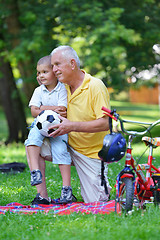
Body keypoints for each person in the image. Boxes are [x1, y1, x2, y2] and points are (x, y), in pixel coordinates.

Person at [46, 45, 111, 203]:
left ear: (72, 64)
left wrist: (71, 126)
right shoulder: (60, 88)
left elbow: (105, 123)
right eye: (52, 65)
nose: (53, 69)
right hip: (65, 145)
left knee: (97, 202)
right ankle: (42, 196)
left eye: (57, 64)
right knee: (33, 143)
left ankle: (101, 182)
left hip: (91, 154)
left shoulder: (95, 86)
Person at [24, 55, 73, 204]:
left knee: (61, 152)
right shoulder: (38, 91)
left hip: (57, 128)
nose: (40, 76)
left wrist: (42, 109)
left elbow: (62, 111)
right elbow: (34, 111)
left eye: (44, 72)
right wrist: (51, 109)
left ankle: (66, 189)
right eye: (38, 73)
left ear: (54, 72)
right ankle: (35, 172)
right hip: (39, 127)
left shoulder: (62, 90)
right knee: (32, 139)